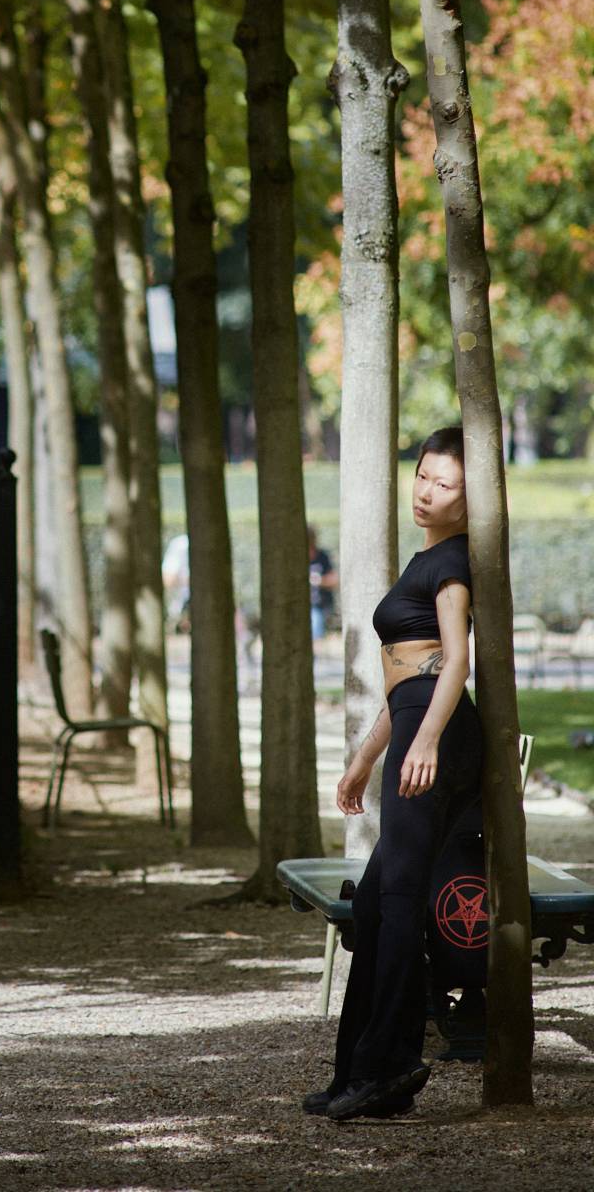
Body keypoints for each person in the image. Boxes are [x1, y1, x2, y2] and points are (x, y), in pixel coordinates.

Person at [303, 426, 482, 1121]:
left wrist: (427, 739)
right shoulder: (431, 555)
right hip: (413, 723)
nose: (428, 492)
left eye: (447, 485)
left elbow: (456, 662)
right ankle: (360, 1070)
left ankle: (393, 1064)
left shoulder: (453, 566)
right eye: (424, 476)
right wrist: (365, 754)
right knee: (376, 906)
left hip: (431, 732)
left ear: (471, 503)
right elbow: (411, 677)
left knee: (401, 903)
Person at [308, 525, 339, 643]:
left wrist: (320, 580)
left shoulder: (323, 557)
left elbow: (334, 580)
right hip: (304, 604)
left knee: (316, 619)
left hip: (321, 604)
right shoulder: (296, 557)